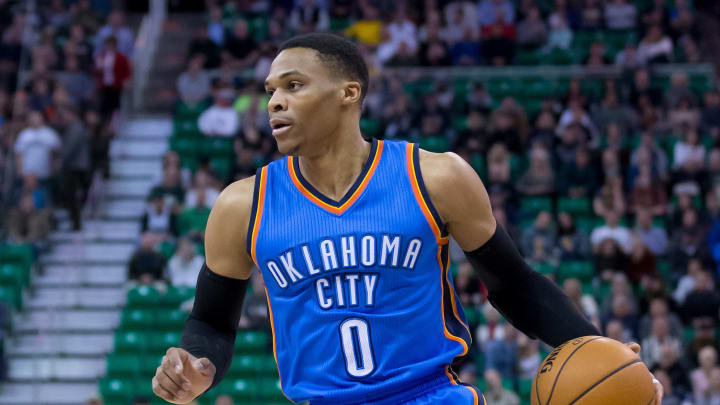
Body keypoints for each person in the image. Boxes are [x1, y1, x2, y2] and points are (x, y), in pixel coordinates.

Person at [152, 33, 662, 404]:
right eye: (270, 91)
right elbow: (211, 322)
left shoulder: (435, 177)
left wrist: (601, 349)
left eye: (294, 85)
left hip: (432, 396)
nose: (275, 101)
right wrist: (199, 367)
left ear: (348, 93)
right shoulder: (242, 204)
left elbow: (515, 285)